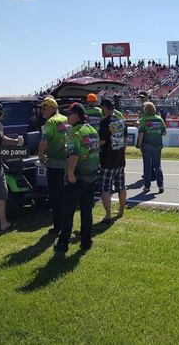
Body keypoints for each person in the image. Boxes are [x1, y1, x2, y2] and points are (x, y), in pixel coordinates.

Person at [54, 103, 99, 253]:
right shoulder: (92, 130)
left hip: (77, 178)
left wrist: (70, 174)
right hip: (91, 177)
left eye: (69, 114)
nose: (67, 117)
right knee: (87, 212)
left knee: (68, 213)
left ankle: (63, 243)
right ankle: (86, 242)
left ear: (76, 115)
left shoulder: (75, 132)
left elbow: (73, 154)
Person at [37, 97, 68, 235]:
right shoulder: (65, 119)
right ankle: (65, 223)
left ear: (50, 108)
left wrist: (40, 155)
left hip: (54, 163)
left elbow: (44, 141)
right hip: (66, 163)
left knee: (55, 197)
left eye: (43, 108)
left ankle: (57, 227)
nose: (42, 111)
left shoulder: (50, 122)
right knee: (64, 196)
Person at [0, 102, 23, 233]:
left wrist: (16, 142)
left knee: (1, 196)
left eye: (0, 114)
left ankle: (4, 223)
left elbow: (2, 139)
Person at [98, 97, 127, 223]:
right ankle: (121, 210)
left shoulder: (105, 123)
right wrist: (121, 152)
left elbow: (102, 141)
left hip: (107, 160)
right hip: (120, 158)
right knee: (121, 186)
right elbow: (125, 140)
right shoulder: (121, 121)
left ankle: (108, 214)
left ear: (104, 107)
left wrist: (95, 146)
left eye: (101, 107)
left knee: (105, 188)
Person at [137, 101, 166, 192]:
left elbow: (141, 133)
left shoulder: (143, 119)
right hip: (158, 145)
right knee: (158, 166)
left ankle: (147, 186)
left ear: (145, 110)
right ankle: (160, 185)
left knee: (147, 166)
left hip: (147, 145)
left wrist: (138, 144)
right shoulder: (159, 118)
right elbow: (164, 133)